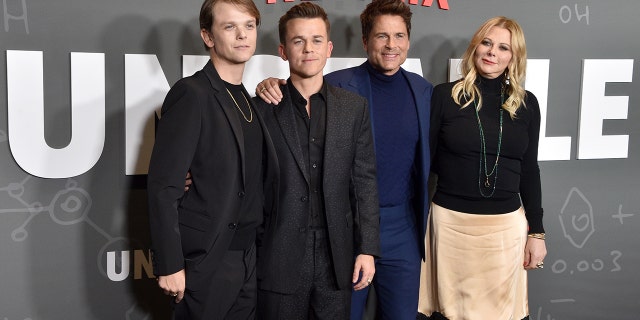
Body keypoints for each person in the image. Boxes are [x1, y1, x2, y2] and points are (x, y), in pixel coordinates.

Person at [256, 1, 432, 319]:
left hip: (401, 226)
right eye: (381, 36)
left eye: (399, 36)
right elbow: (301, 89)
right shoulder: (336, 84)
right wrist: (270, 84)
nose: (391, 45)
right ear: (365, 41)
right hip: (342, 228)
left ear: (408, 40)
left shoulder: (423, 91)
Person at [146, 0, 278, 318]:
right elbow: (164, 186)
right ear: (208, 36)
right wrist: (170, 264)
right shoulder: (192, 93)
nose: (242, 35)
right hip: (207, 258)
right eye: (229, 27)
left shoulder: (251, 101)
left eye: (249, 26)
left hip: (249, 256)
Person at [253, 3, 380, 319]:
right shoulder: (261, 109)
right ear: (283, 50)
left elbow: (364, 181)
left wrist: (367, 249)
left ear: (329, 48)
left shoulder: (353, 109)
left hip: (337, 257)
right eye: (298, 41)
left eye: (317, 40)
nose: (308, 49)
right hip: (277, 254)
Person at [418, 16, 547, 320]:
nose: (492, 52)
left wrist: (537, 233)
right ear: (475, 47)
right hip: (449, 226)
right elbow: (426, 165)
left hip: (505, 231)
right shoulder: (444, 96)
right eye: (487, 43)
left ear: (513, 57)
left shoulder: (527, 104)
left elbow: (529, 169)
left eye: (503, 47)